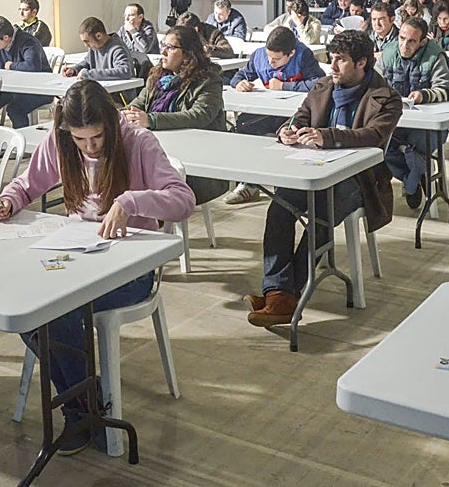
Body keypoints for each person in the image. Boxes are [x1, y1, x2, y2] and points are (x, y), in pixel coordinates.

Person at [0, 81, 194, 453]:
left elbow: (183, 201)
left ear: (111, 124)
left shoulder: (138, 142)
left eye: (97, 137)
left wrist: (131, 201)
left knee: (57, 314)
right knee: (21, 308)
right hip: (78, 255)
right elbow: (30, 181)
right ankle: (88, 404)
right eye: (80, 139)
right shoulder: (61, 140)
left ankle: (79, 410)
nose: (89, 147)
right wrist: (8, 199)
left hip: (130, 266)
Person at [246, 31, 402, 327]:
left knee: (321, 211)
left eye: (341, 60)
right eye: (331, 59)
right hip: (313, 169)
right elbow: (299, 117)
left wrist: (327, 137)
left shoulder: (386, 98)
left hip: (359, 180)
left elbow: (374, 135)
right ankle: (279, 290)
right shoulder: (323, 86)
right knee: (279, 206)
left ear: (362, 63)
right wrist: (287, 131)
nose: (333, 66)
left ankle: (283, 295)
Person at [123, 25, 228, 204]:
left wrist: (152, 119)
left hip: (194, 160)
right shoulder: (157, 76)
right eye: (163, 45)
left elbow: (199, 115)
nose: (162, 52)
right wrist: (127, 114)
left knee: (141, 190)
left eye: (170, 48)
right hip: (160, 150)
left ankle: (141, 219)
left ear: (188, 54)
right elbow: (139, 104)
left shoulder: (209, 79)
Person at [225, 28, 324, 205]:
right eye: (269, 56)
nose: (270, 62)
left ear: (291, 53)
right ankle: (249, 182)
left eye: (277, 59)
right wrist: (238, 83)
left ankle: (288, 188)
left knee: (292, 134)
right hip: (269, 110)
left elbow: (319, 84)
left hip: (295, 113)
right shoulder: (259, 55)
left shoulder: (303, 56)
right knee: (242, 125)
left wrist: (284, 86)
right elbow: (239, 75)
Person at [377, 17, 449, 209]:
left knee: (415, 150)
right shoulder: (388, 53)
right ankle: (415, 177)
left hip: (428, 126)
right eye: (402, 38)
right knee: (377, 148)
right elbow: (374, 86)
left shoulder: (435, 56)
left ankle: (410, 186)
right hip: (397, 122)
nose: (404, 44)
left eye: (411, 41)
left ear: (423, 42)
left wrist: (423, 95)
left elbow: (445, 90)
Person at [0, 16, 52, 129]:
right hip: (13, 88)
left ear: (6, 37)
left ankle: (21, 141)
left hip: (39, 89)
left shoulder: (28, 42)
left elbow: (33, 66)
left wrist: (12, 65)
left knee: (15, 109)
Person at [63, 17, 139, 81]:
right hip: (101, 91)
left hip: (118, 95)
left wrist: (88, 74)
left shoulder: (117, 48)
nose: (86, 45)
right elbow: (88, 62)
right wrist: (74, 70)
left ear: (98, 36)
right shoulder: (94, 47)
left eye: (87, 41)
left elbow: (124, 71)